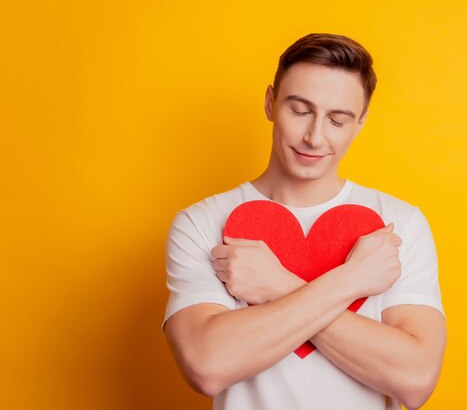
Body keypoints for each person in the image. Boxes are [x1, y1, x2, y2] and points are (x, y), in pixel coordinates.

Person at [163, 33, 446, 410]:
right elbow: (207, 366)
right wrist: (352, 280)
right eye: (300, 111)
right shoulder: (200, 223)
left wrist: (276, 284)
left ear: (360, 123)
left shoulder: (399, 225)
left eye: (338, 120)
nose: (315, 137)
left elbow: (415, 381)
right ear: (270, 103)